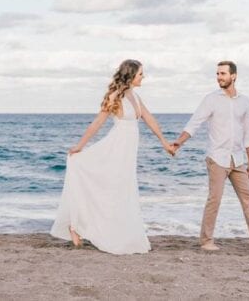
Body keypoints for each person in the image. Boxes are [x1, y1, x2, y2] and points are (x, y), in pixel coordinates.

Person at [50, 59, 176, 254]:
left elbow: (150, 119)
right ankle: (75, 225)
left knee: (122, 191)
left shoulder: (136, 96)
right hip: (115, 148)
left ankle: (114, 232)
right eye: (141, 74)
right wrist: (80, 146)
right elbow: (97, 123)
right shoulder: (115, 96)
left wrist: (165, 143)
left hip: (127, 153)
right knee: (108, 188)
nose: (143, 77)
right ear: (131, 75)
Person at [170, 61, 249, 251]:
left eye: (223, 74)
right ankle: (206, 241)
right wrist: (179, 142)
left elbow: (248, 133)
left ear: (234, 76)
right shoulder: (211, 99)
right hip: (217, 158)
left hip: (237, 159)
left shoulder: (245, 101)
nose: (219, 77)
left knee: (248, 198)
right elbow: (194, 123)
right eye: (217, 74)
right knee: (215, 199)